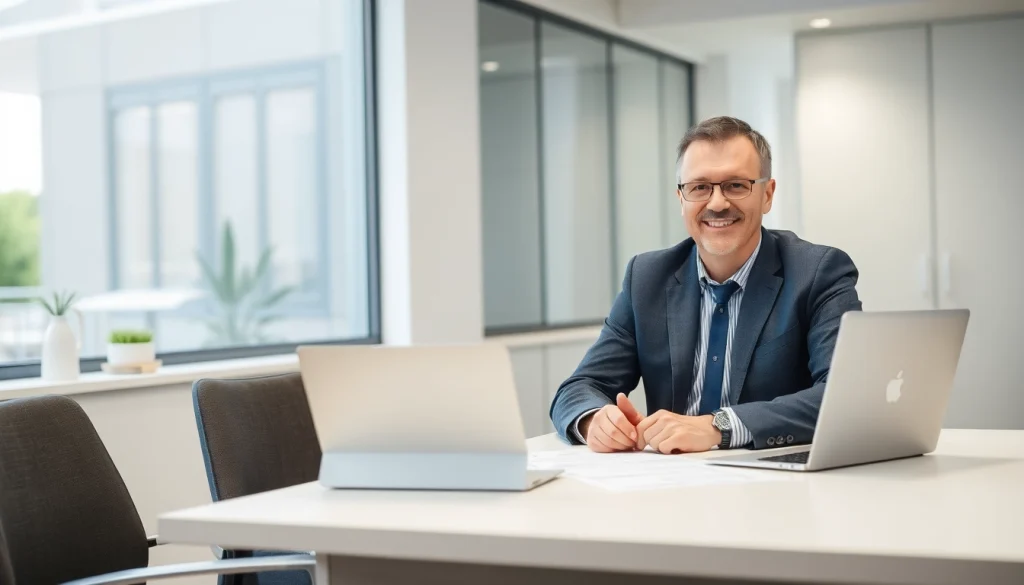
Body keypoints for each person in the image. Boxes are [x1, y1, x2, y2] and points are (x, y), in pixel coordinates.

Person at [549, 116, 862, 454]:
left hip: (776, 483)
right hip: (672, 484)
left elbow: (843, 395)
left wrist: (719, 426)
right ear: (681, 198)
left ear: (767, 195)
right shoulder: (647, 277)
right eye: (700, 187)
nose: (716, 203)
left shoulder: (818, 272)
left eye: (736, 185)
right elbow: (579, 388)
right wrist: (594, 419)